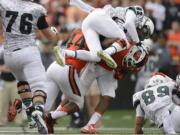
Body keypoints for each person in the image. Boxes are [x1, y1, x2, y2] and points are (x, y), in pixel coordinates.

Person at [0, 0, 58, 133]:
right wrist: (55, 32)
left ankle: (31, 114)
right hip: (28, 52)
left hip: (9, 55)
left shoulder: (5, 3)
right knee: (39, 87)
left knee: (22, 82)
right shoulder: (37, 8)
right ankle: (37, 111)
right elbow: (50, 36)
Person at [55, 0, 154, 69]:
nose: (141, 34)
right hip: (99, 16)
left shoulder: (126, 32)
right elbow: (128, 23)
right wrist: (138, 43)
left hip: (89, 22)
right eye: (144, 32)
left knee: (96, 57)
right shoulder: (138, 11)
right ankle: (106, 53)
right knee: (125, 41)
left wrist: (76, 2)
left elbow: (91, 10)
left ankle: (64, 52)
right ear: (144, 22)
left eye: (144, 35)